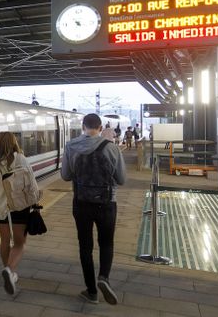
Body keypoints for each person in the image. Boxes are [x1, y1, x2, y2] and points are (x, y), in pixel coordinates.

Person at [61, 114, 126, 305]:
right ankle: (103, 278)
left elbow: (65, 175)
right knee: (106, 243)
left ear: (83, 126)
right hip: (106, 203)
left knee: (85, 247)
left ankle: (91, 292)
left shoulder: (71, 146)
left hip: (81, 203)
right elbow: (121, 179)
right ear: (100, 127)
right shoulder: (111, 148)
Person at [0, 132, 38, 295]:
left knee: (4, 240)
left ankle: (7, 270)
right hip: (18, 208)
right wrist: (36, 201)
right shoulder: (21, 159)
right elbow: (31, 183)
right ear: (14, 143)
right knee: (19, 244)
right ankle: (10, 270)